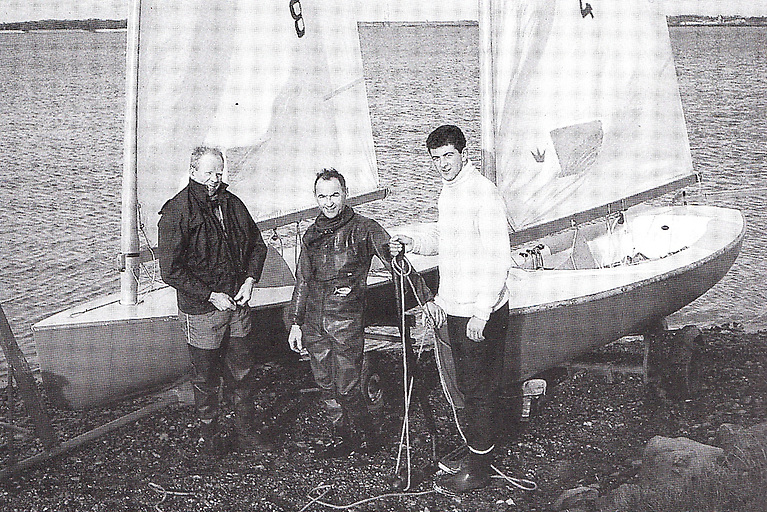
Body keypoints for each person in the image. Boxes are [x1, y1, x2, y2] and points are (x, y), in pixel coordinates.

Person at [390, 125, 512, 495]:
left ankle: (479, 470)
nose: (442, 164)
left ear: (463, 153)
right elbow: (444, 240)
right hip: (456, 307)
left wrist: (482, 312)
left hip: (481, 311)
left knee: (478, 390)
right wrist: (411, 242)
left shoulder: (484, 195)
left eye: (448, 156)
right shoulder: (450, 192)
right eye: (436, 159)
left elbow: (498, 258)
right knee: (466, 387)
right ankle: (476, 453)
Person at [287, 168, 431, 459]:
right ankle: (343, 437)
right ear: (315, 197)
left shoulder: (365, 228)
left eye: (334, 195)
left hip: (345, 321)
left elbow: (395, 262)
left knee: (346, 385)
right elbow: (302, 280)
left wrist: (425, 298)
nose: (328, 203)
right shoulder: (310, 235)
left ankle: (370, 435)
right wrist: (295, 323)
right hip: (314, 321)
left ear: (345, 194)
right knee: (325, 384)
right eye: (322, 196)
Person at [158, 146, 269, 455]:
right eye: (208, 173)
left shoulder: (232, 204)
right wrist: (209, 295)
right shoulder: (177, 211)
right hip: (202, 311)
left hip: (237, 305)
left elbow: (257, 245)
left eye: (219, 173)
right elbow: (170, 270)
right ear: (193, 172)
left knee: (243, 373)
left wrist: (249, 280)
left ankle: (246, 432)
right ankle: (212, 439)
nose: (214, 179)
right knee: (206, 380)